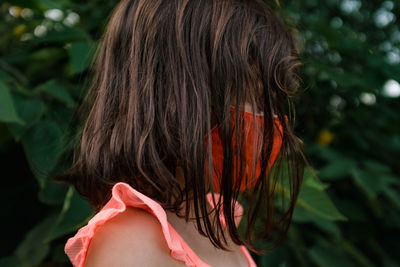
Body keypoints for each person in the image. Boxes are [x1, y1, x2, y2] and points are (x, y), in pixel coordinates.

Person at [53, 0, 309, 266]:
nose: (269, 120)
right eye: (254, 94)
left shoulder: (217, 222)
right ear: (178, 99)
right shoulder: (131, 244)